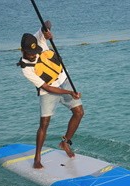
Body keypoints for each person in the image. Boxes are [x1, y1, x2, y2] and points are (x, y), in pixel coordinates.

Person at [18, 21, 84, 169]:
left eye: (34, 52)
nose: (32, 55)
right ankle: (37, 158)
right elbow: (47, 87)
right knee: (44, 124)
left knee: (79, 113)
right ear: (22, 50)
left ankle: (65, 142)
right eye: (29, 53)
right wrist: (69, 93)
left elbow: (46, 24)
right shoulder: (25, 68)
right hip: (48, 91)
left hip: (63, 81)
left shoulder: (36, 40)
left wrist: (47, 30)